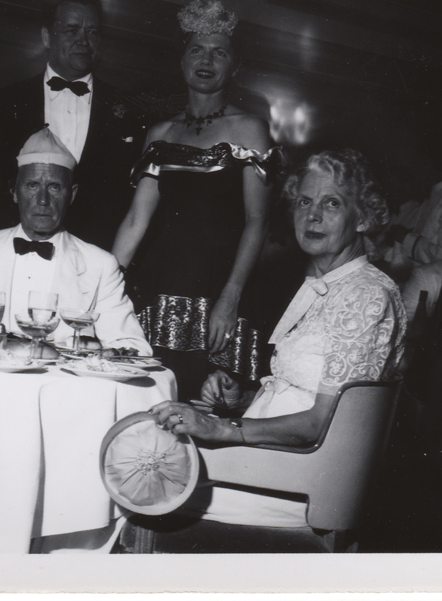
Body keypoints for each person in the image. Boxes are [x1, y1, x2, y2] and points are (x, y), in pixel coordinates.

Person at [146, 148, 406, 527]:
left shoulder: (366, 294)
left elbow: (325, 422)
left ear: (363, 217)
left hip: (295, 483)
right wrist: (242, 399)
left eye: (332, 203)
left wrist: (222, 428)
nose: (312, 215)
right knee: (144, 459)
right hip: (265, 464)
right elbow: (303, 394)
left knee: (145, 485)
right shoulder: (323, 284)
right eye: (304, 201)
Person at [112, 0, 280, 397]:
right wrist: (102, 287)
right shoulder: (160, 134)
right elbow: (136, 221)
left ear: (234, 65)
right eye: (197, 50)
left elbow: (258, 222)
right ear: (182, 60)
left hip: (220, 290)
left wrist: (230, 298)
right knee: (149, 399)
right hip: (159, 286)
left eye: (219, 52)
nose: (206, 60)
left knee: (206, 403)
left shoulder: (250, 129)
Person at [0, 0, 147, 253]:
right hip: (9, 254)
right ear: (46, 37)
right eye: (72, 31)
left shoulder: (131, 110)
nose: (83, 41)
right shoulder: (0, 105)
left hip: (96, 257)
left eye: (92, 32)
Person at [0, 127, 151, 352]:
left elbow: (132, 347)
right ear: (14, 192)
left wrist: (89, 350)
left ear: (72, 194)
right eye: (32, 185)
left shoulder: (100, 265)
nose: (42, 200)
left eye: (54, 187)